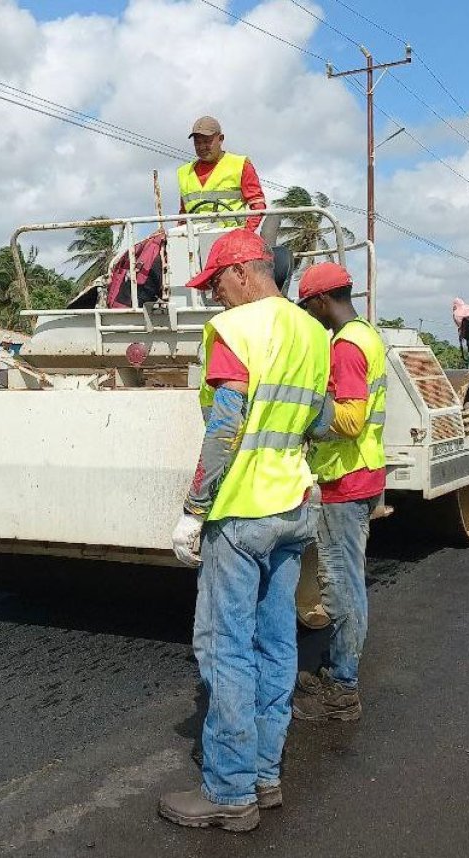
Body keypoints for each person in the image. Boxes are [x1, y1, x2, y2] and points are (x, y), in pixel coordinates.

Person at [158, 230, 330, 832]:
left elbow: (226, 427)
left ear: (243, 274)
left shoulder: (238, 331)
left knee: (224, 647)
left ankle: (229, 792)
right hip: (294, 507)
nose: (213, 300)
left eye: (215, 286)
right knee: (276, 643)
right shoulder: (314, 333)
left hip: (243, 513)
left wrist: (194, 507)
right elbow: (323, 420)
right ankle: (263, 774)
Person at [292, 262, 386, 723]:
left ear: (320, 301)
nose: (307, 313)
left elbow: (349, 420)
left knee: (342, 586)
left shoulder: (346, 347)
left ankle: (343, 690)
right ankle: (336, 669)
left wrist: (302, 411)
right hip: (362, 474)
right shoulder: (364, 333)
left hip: (345, 482)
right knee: (347, 580)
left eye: (307, 305)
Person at [177, 116, 266, 231]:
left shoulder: (240, 164)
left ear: (220, 139)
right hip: (194, 241)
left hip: (231, 240)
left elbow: (258, 205)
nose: (202, 147)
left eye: (207, 141)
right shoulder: (184, 173)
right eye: (197, 142)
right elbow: (183, 215)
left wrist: (245, 234)